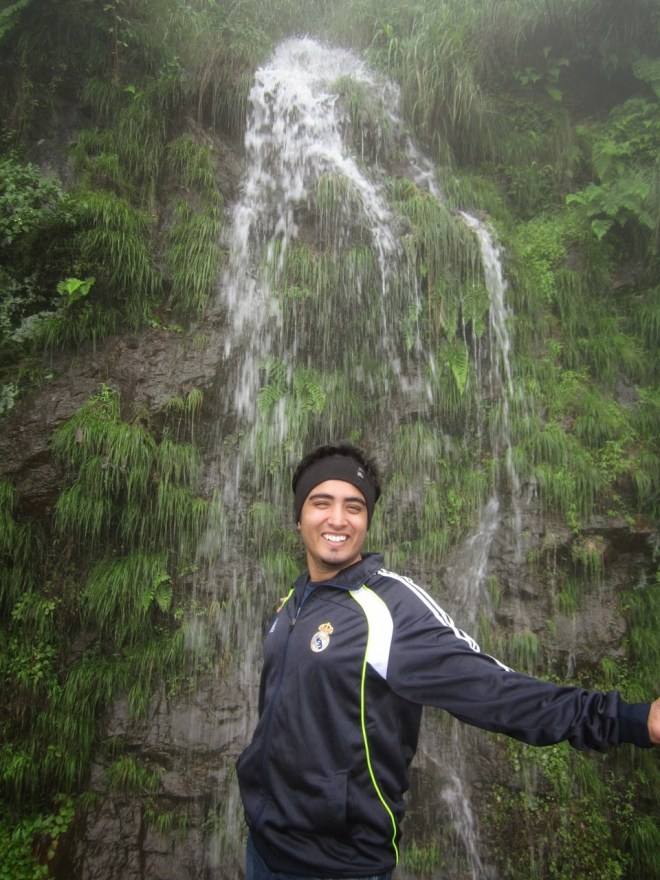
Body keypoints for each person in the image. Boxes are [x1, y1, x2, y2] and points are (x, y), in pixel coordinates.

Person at [236, 441, 660, 880]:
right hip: (263, 847)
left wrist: (632, 720)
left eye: (354, 507)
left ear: (367, 520)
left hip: (337, 865)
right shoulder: (294, 600)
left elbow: (493, 690)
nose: (338, 519)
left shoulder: (389, 609)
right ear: (299, 516)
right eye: (321, 503)